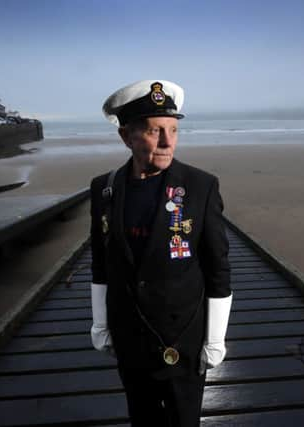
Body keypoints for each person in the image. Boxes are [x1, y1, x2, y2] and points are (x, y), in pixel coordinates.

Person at [89, 80, 232, 427]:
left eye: (173, 130)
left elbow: (218, 267)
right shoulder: (104, 189)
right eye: (156, 131)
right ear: (127, 136)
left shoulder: (200, 186)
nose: (168, 141)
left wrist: (215, 338)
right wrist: (100, 322)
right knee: (143, 419)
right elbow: (100, 261)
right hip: (130, 335)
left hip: (182, 336)